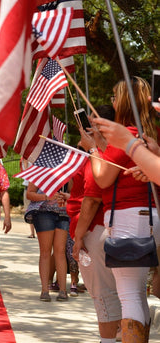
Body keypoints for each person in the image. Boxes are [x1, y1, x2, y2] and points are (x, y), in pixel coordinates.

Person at [79, 76, 159, 340]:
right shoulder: (151, 133)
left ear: (123, 101)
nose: (111, 102)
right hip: (149, 217)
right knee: (136, 294)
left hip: (129, 218)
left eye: (114, 97)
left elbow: (102, 179)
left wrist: (92, 149)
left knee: (130, 295)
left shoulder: (127, 136)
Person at [71, 150, 121, 343]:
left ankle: (107, 340)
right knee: (126, 293)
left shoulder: (99, 155)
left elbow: (92, 199)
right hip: (116, 227)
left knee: (103, 294)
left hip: (98, 229)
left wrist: (78, 236)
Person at [25, 182, 70, 302]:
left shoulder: (67, 170)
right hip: (43, 212)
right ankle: (45, 290)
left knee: (60, 252)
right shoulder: (40, 167)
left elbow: (74, 193)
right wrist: (46, 197)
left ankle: (63, 290)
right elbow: (29, 194)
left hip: (63, 212)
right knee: (45, 251)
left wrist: (67, 196)